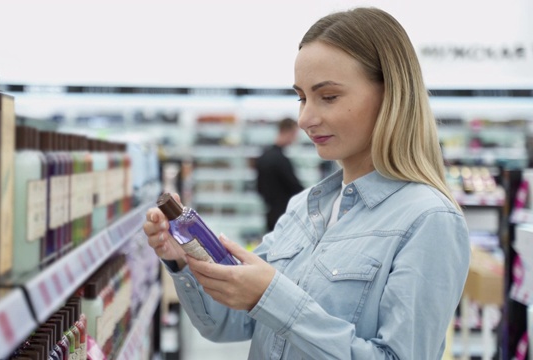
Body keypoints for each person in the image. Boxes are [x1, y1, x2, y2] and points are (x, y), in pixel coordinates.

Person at [143, 7, 470, 359]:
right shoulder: (304, 209)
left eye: (327, 96)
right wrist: (184, 261)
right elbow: (227, 323)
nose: (305, 118)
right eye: (301, 97)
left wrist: (273, 298)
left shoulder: (429, 220)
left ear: (391, 94)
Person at [255, 117, 304, 232]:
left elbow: (259, 188)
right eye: (295, 133)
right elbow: (296, 188)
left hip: (270, 214)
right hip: (285, 216)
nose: (295, 138)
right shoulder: (281, 160)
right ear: (288, 132)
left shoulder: (263, 156)